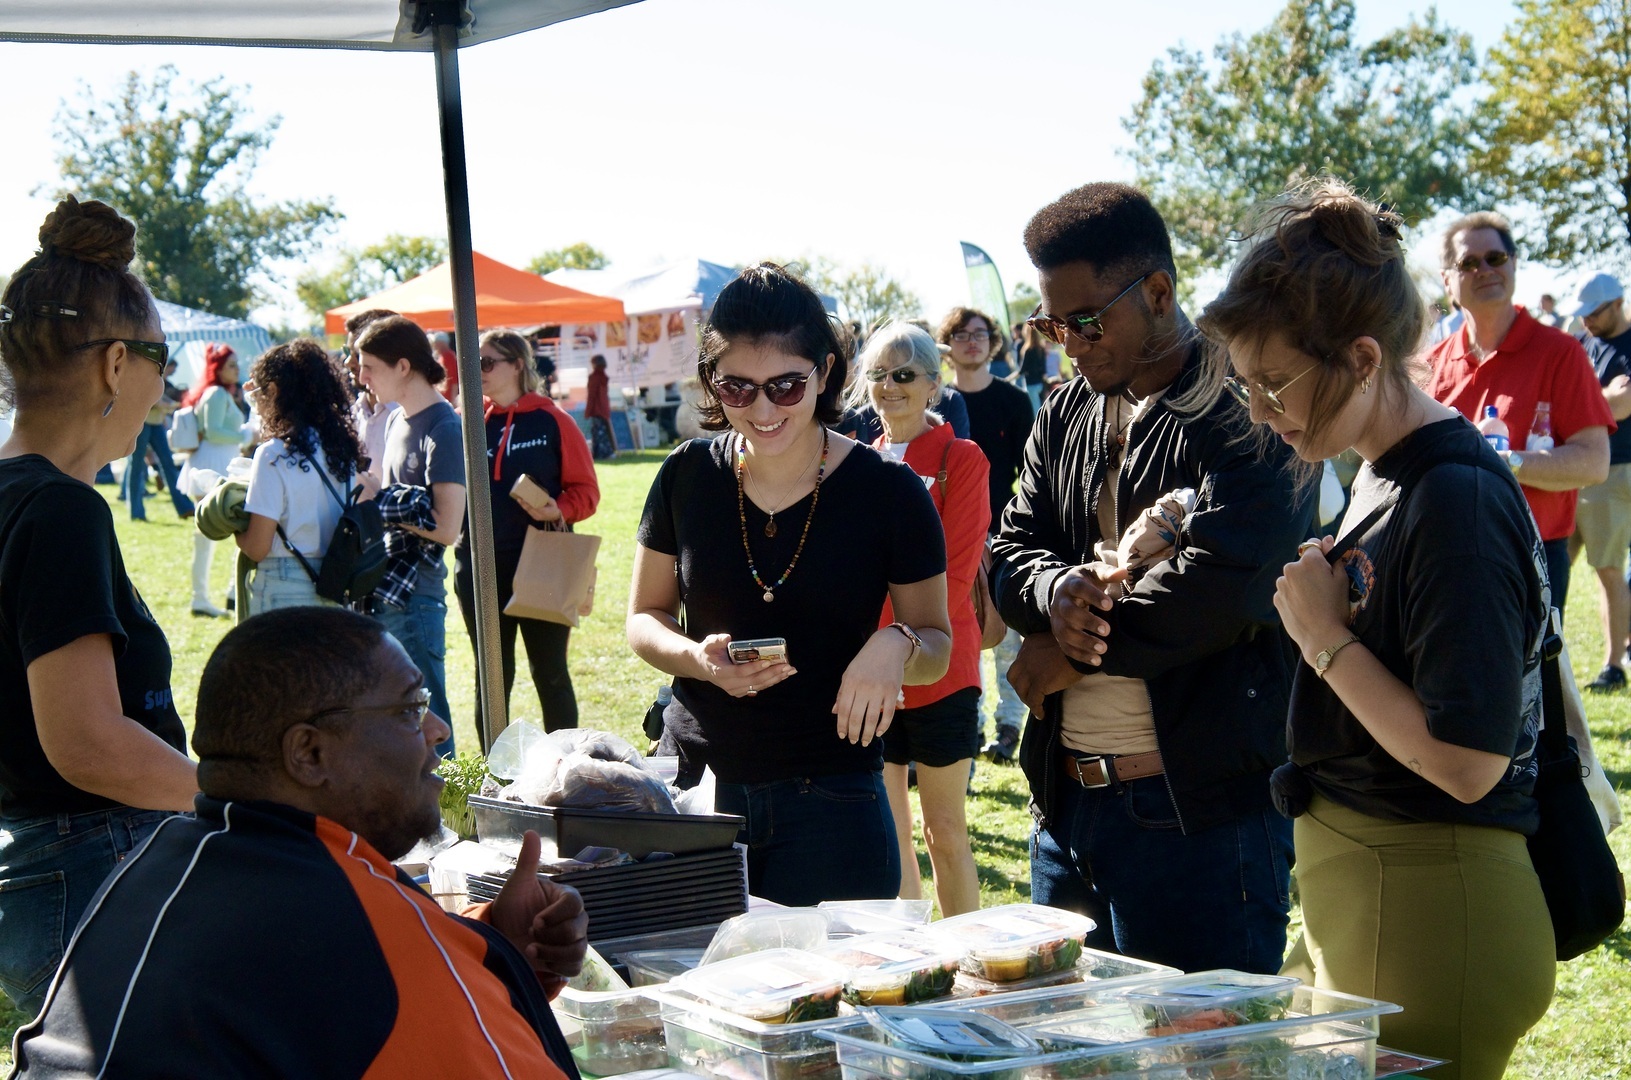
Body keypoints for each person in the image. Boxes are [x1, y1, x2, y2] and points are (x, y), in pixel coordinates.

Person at [1200, 179, 1555, 1080]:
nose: (1258, 411)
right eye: (1245, 386)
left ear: (1362, 358)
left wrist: (1324, 638)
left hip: (1431, 905)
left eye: (1273, 384)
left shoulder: (1451, 497)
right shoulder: (1383, 469)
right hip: (1380, 895)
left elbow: (1466, 762)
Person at [12, 607, 588, 1078]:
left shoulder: (149, 870)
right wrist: (463, 958)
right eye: (411, 709)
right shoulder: (368, 935)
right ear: (309, 753)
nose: (438, 730)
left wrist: (494, 949)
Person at [991, 182, 1308, 975]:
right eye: (1052, 325)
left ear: (1158, 293)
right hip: (1064, 808)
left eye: (1085, 321)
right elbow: (1009, 550)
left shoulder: (1247, 404)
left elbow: (1229, 584)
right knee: (1062, 1042)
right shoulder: (1064, 411)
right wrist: (1056, 594)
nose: (1070, 345)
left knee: (1198, 1045)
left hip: (1198, 821)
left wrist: (1075, 649)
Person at [627, 263, 952, 906]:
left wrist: (897, 642)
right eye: (737, 388)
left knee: (832, 975)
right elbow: (644, 617)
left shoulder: (888, 491)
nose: (763, 409)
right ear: (712, 383)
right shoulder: (686, 475)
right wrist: (696, 658)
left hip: (834, 799)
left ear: (824, 373)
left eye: (785, 386)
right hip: (700, 790)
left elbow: (937, 645)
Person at [0, 196, 199, 1016]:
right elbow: (87, 743)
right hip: (90, 868)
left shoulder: (19, 498)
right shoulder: (60, 510)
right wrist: (237, 799)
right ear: (117, 363)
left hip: (42, 872)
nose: (164, 391)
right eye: (160, 363)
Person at [849, 322, 989, 917]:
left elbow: (954, 578)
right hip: (872, 673)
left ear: (934, 383)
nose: (889, 386)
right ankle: (914, 955)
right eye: (878, 374)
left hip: (941, 670)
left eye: (903, 374)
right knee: (889, 835)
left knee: (944, 832)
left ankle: (971, 956)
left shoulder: (963, 458)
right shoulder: (857, 462)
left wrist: (897, 645)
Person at [1425, 211, 1612, 616]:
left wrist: (1504, 462)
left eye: (1495, 258)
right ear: (1447, 281)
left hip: (1532, 554)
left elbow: (1594, 462)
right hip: (1443, 554)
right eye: (1468, 263)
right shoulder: (1429, 366)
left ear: (1513, 264)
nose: (1485, 270)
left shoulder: (1561, 353)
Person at [456, 329, 600, 734]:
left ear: (517, 364)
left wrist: (559, 508)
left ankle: (564, 764)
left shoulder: (553, 420)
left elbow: (587, 492)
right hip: (479, 566)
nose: (477, 371)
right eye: (472, 363)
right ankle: (493, 768)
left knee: (550, 673)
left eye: (486, 362)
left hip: (542, 563)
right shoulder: (467, 422)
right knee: (491, 677)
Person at [356, 314, 466, 757]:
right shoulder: (395, 420)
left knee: (429, 717)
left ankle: (451, 800)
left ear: (403, 366)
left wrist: (378, 500)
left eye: (369, 366)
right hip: (386, 587)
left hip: (416, 593)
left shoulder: (444, 426)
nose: (361, 377)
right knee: (398, 715)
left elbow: (447, 527)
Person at [939, 305, 1034, 762]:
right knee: (959, 638)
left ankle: (1009, 725)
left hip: (1000, 535)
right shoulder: (936, 403)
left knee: (1005, 636)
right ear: (947, 346)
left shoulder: (1013, 401)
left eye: (979, 333)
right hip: (947, 540)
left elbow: (1032, 476)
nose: (971, 341)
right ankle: (971, 727)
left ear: (993, 342)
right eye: (960, 334)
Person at [233, 338, 373, 615]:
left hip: (283, 585)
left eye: (256, 394)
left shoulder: (273, 454)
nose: (256, 406)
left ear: (273, 391)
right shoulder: (341, 449)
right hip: (335, 582)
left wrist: (235, 528)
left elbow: (258, 547)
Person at [1561, 273, 1631, 690]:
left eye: (1594, 313)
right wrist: (1602, 397)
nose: (1586, 321)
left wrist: (1590, 400)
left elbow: (1623, 406)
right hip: (1571, 472)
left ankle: (1614, 665)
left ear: (1617, 303)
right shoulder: (1583, 344)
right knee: (1551, 567)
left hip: (1613, 471)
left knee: (1607, 570)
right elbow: (1565, 400)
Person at [179, 342, 248, 617]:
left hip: (213, 462)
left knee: (214, 534)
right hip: (211, 464)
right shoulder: (217, 393)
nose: (237, 369)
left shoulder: (218, 392)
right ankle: (204, 597)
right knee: (208, 535)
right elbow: (213, 431)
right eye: (231, 365)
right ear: (218, 368)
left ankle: (225, 593)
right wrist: (246, 435)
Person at [123, 356, 193, 521]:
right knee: (136, 466)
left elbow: (160, 397)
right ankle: (136, 512)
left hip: (155, 423)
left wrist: (173, 403)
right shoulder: (142, 371)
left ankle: (185, 507)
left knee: (168, 462)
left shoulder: (158, 374)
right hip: (142, 423)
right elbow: (151, 400)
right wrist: (169, 405)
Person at [345, 308, 401, 486]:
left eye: (357, 354)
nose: (348, 362)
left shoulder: (414, 415)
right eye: (346, 352)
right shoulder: (353, 414)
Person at [585, 353, 616, 460]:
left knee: (597, 432)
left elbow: (592, 395)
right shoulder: (604, 377)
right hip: (604, 408)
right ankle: (604, 452)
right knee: (602, 432)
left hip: (596, 409)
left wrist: (588, 411)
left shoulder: (594, 378)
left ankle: (601, 453)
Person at [1017, 321, 1049, 411]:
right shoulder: (1041, 349)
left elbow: (1023, 369)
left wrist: (1011, 377)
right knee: (1042, 407)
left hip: (1031, 383)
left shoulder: (1027, 350)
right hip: (1040, 383)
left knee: (1035, 410)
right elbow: (1043, 368)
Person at [432, 330, 461, 404]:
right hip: (443, 399)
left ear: (441, 343)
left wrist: (453, 400)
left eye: (435, 343)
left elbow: (454, 380)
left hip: (448, 400)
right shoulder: (442, 356)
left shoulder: (448, 356)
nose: (434, 346)